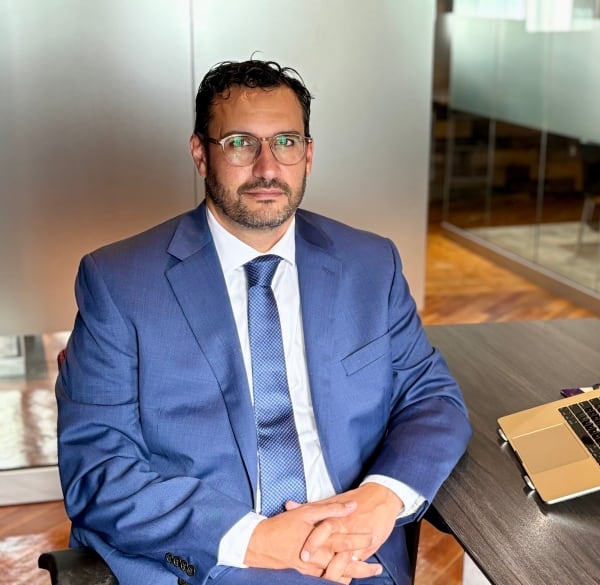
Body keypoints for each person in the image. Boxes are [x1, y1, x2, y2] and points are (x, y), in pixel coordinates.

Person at [55, 58, 472, 585]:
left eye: (286, 142)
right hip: (212, 559)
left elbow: (432, 398)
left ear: (309, 154)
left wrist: (380, 499)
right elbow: (98, 471)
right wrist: (257, 540)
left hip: (352, 553)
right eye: (239, 144)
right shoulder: (118, 282)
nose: (267, 167)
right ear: (201, 154)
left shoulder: (371, 263)